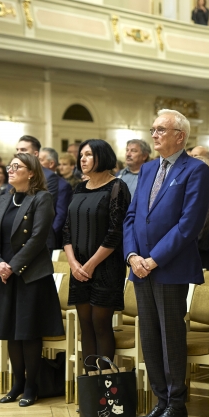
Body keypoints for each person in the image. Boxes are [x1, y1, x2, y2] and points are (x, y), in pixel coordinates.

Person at [125, 109, 209, 417]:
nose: (155, 134)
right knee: (149, 334)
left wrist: (154, 259)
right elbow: (133, 217)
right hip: (141, 267)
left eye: (161, 129)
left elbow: (188, 225)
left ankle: (177, 403)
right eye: (153, 129)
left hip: (169, 267)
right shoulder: (147, 169)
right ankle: (159, 400)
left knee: (170, 335)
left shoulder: (195, 170)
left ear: (180, 135)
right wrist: (133, 255)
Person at [0, 153, 64, 407]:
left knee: (28, 334)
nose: (10, 169)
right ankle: (17, 383)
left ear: (31, 172)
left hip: (30, 275)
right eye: (10, 166)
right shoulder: (3, 197)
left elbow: (39, 238)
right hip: (4, 274)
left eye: (16, 166)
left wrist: (13, 266)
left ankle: (32, 385)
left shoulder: (41, 198)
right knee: (11, 332)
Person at [63, 139, 131, 373]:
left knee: (100, 324)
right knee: (85, 326)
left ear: (102, 157)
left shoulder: (117, 187)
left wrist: (90, 265)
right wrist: (73, 263)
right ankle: (90, 383)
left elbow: (116, 233)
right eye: (81, 154)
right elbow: (67, 229)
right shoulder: (80, 187)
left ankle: (105, 385)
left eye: (88, 155)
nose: (82, 159)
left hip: (104, 267)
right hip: (78, 267)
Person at [17, 136, 71, 251]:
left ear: (35, 154)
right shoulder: (14, 174)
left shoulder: (48, 177)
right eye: (17, 150)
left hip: (39, 236)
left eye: (23, 150)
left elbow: (46, 209)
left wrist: (51, 233)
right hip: (18, 236)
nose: (18, 153)